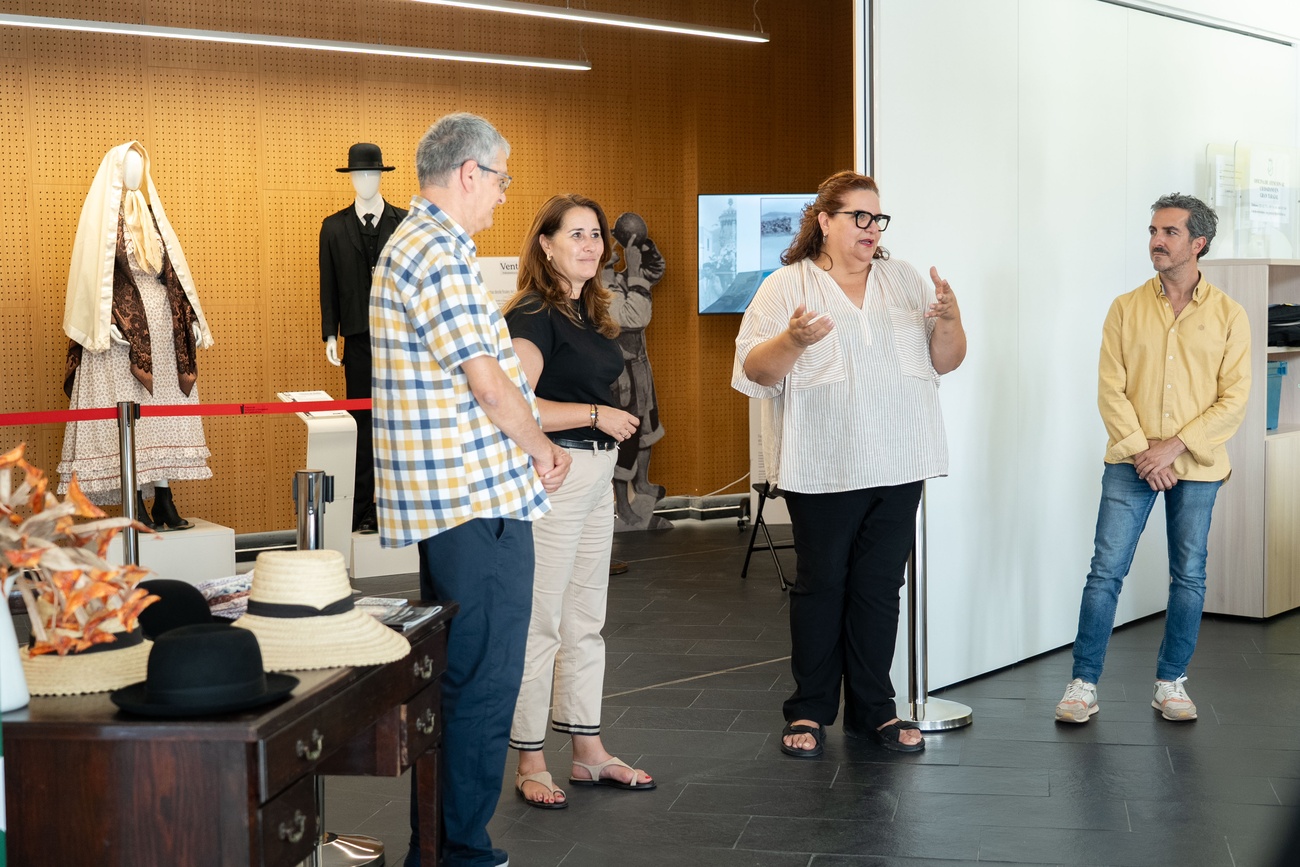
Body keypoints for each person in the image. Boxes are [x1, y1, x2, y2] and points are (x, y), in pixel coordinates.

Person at [369, 113, 571, 867]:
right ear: (468, 174)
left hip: (459, 500)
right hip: (475, 498)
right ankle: (461, 847)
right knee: (483, 681)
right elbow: (487, 384)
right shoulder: (439, 255)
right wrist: (542, 445)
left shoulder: (421, 246)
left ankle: (445, 841)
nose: (503, 195)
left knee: (464, 676)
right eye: (502, 178)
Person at [731, 170, 965, 757]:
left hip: (900, 460)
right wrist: (794, 342)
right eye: (858, 217)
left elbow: (947, 360)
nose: (870, 228)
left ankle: (874, 711)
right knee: (822, 586)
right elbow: (754, 372)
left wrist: (953, 319)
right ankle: (809, 710)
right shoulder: (786, 287)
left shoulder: (905, 280)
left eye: (877, 218)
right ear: (824, 220)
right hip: (825, 464)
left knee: (880, 589)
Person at [1055, 194, 1250, 725]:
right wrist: (1146, 453)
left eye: (1169, 232)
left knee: (1188, 576)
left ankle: (1171, 683)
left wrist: (1175, 446)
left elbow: (1233, 399)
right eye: (1153, 231)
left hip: (1197, 464)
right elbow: (1110, 389)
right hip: (1131, 461)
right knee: (1105, 572)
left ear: (1198, 243)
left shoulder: (1230, 315)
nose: (1156, 241)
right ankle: (1083, 683)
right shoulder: (1125, 308)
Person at [501, 195, 653, 809]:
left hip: (594, 474)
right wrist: (596, 412)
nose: (592, 245)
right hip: (555, 474)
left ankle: (587, 751)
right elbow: (518, 403)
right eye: (577, 235)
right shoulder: (534, 312)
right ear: (546, 244)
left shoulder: (587, 311)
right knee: (543, 621)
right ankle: (530, 759)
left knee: (586, 621)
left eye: (597, 235)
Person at [59, 141, 213, 530]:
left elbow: (173, 273)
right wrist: (102, 321)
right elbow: (91, 280)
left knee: (163, 413)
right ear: (113, 171)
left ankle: (164, 499)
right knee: (132, 418)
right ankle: (135, 503)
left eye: (138, 166)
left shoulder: (151, 215)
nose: (134, 174)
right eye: (127, 166)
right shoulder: (100, 221)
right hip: (121, 337)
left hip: (161, 330)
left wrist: (188, 317)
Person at [320, 142, 406, 533]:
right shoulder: (334, 227)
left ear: (381, 176)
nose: (366, 180)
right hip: (357, 339)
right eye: (360, 174)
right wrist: (329, 334)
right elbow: (329, 286)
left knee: (399, 421)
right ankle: (361, 508)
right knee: (362, 420)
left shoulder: (404, 223)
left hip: (401, 340)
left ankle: (397, 505)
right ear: (352, 178)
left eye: (373, 173)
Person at [602, 213, 670, 530]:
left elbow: (654, 271)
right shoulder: (599, 286)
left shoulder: (617, 276)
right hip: (620, 375)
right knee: (626, 439)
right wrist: (633, 272)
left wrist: (642, 248)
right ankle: (624, 507)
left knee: (647, 429)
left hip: (639, 368)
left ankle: (641, 485)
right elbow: (634, 316)